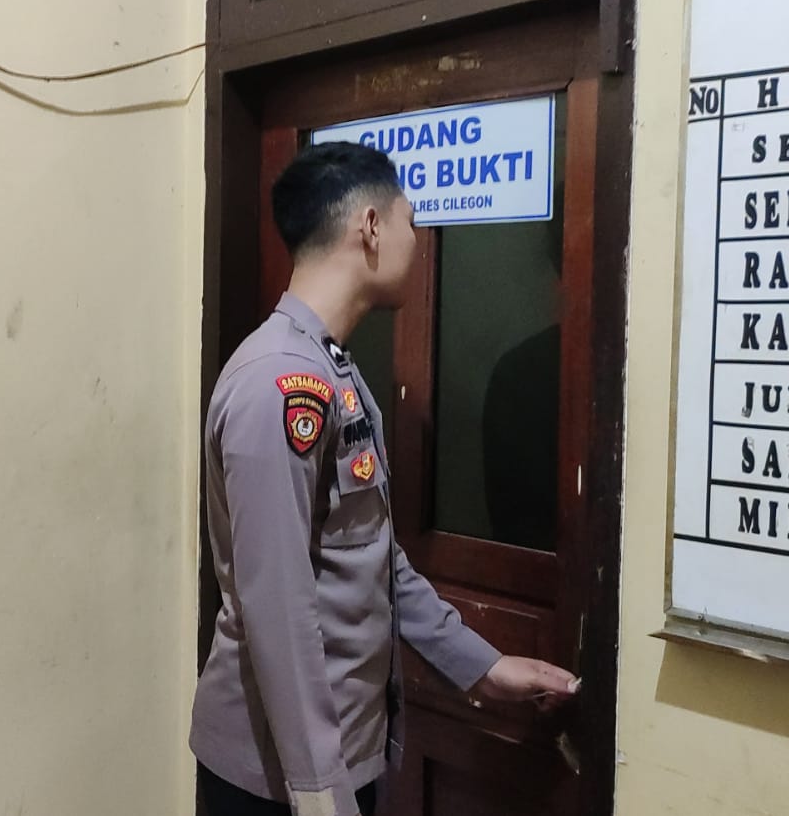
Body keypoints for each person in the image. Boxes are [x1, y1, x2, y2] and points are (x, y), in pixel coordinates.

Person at [190, 143, 579, 816]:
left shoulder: (331, 370)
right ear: (369, 226)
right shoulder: (279, 383)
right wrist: (319, 793)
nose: (418, 240)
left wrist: (481, 665)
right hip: (279, 781)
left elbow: (374, 558)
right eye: (411, 220)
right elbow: (276, 605)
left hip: (338, 757)